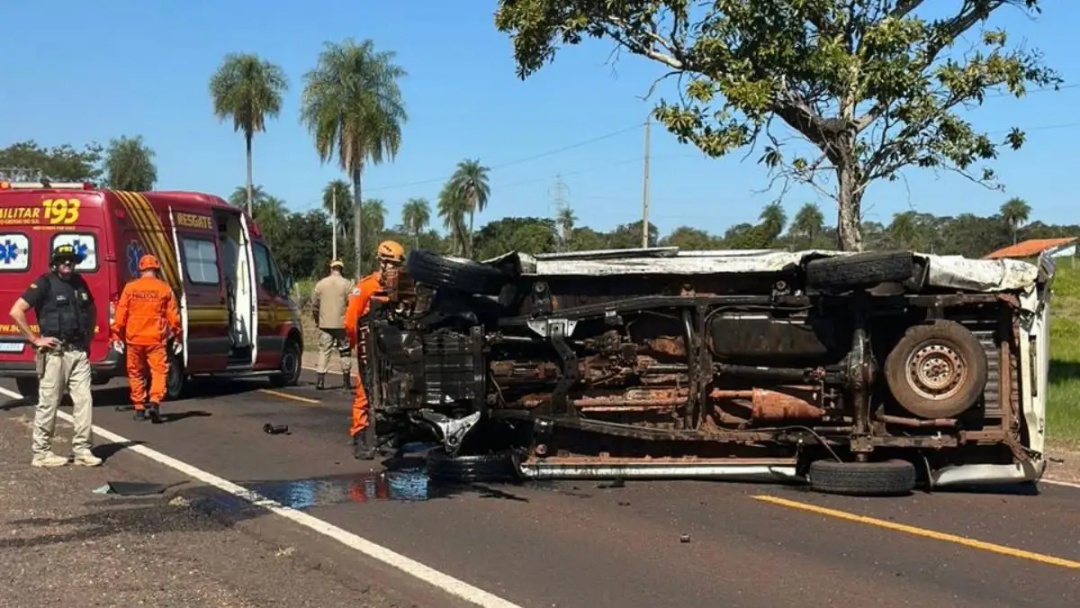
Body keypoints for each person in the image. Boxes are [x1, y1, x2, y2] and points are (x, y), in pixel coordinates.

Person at [9, 244, 102, 467]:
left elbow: (91, 310)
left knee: (84, 401)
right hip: (54, 354)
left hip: (78, 352)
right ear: (55, 263)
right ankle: (41, 453)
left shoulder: (79, 283)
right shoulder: (44, 283)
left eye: (71, 260)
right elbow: (16, 310)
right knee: (49, 402)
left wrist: (87, 340)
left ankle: (82, 450)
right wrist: (34, 339)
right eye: (63, 260)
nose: (68, 264)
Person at [344, 240, 405, 460]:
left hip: (393, 349)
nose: (392, 268)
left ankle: (386, 437)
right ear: (380, 261)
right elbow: (351, 322)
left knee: (393, 391)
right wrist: (356, 345)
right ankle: (360, 437)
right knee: (365, 393)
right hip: (369, 349)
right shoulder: (366, 287)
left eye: (395, 264)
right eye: (388, 263)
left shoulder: (401, 288)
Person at [109, 254, 182, 423]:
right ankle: (155, 402)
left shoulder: (130, 288)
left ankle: (139, 409)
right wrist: (178, 336)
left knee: (136, 373)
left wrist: (115, 335)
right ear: (157, 269)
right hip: (156, 339)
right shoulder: (165, 289)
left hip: (134, 338)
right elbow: (174, 318)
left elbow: (120, 315)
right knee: (158, 372)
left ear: (140, 269)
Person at [311, 259, 354, 390]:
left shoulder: (321, 284)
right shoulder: (347, 284)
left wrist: (318, 320)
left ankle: (320, 380)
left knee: (324, 351)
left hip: (325, 324)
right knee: (345, 352)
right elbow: (352, 303)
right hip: (342, 324)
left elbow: (315, 305)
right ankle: (346, 381)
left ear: (331, 269)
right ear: (341, 269)